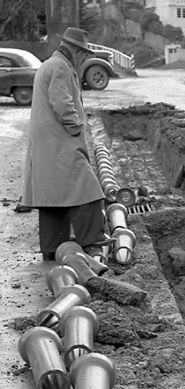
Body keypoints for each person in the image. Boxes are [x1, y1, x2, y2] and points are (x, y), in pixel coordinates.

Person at [22, 27, 110, 262]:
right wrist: (77, 127)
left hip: (48, 143)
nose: (83, 59)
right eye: (83, 54)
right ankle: (93, 241)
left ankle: (53, 247)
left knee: (53, 196)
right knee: (87, 189)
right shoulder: (61, 67)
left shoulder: (49, 64)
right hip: (60, 141)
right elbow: (63, 105)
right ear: (74, 50)